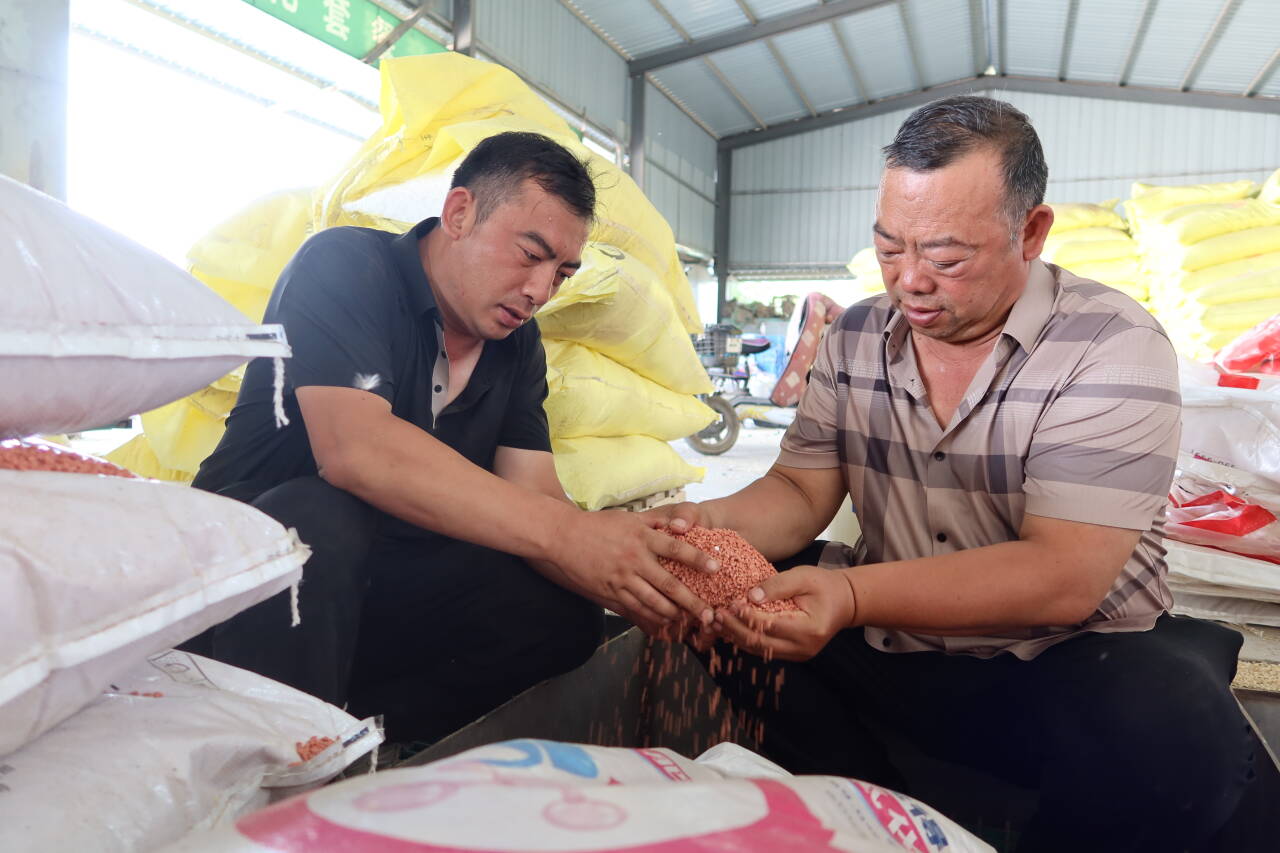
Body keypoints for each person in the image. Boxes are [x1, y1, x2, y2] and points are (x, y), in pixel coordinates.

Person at [650, 97, 1254, 851]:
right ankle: (871, 816)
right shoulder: (857, 337)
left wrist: (849, 593)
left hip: (1062, 664)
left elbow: (1063, 574)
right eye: (889, 249)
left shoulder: (1110, 345)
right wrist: (698, 526)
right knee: (723, 594)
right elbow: (801, 492)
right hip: (897, 650)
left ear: (1030, 232)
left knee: (1170, 724)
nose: (910, 282)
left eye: (945, 257)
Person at [186, 131, 717, 745]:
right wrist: (572, 535)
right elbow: (358, 452)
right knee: (315, 520)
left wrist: (641, 577)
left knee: (559, 616)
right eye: (530, 254)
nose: (541, 292)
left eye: (563, 273)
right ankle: (279, 761)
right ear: (460, 212)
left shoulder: (517, 348)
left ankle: (375, 743)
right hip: (255, 588)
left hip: (376, 589)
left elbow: (536, 497)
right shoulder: (346, 267)